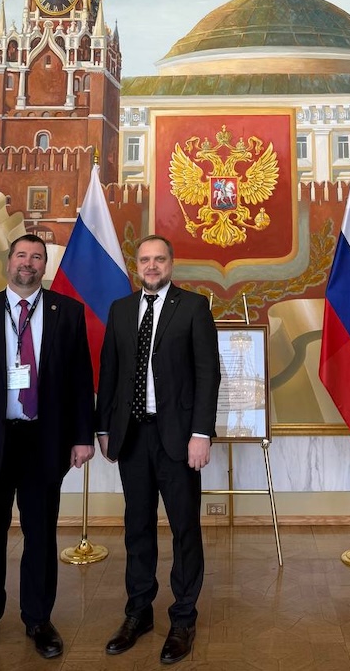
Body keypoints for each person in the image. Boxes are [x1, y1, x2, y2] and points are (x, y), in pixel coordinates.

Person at [0, 234, 95, 664]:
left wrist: (82, 436)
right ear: (9, 263)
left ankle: (39, 620)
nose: (29, 262)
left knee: (41, 535)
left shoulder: (68, 313)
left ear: (44, 265)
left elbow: (81, 381)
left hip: (45, 442)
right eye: (22, 255)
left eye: (37, 256)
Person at [96, 234, 220, 665]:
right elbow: (109, 372)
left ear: (171, 263)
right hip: (132, 436)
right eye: (145, 259)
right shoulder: (120, 309)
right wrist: (104, 427)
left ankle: (183, 618)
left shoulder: (194, 308)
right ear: (137, 265)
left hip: (179, 439)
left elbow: (208, 374)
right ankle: (138, 612)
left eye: (159, 259)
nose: (152, 266)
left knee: (184, 528)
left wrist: (201, 433)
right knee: (137, 527)